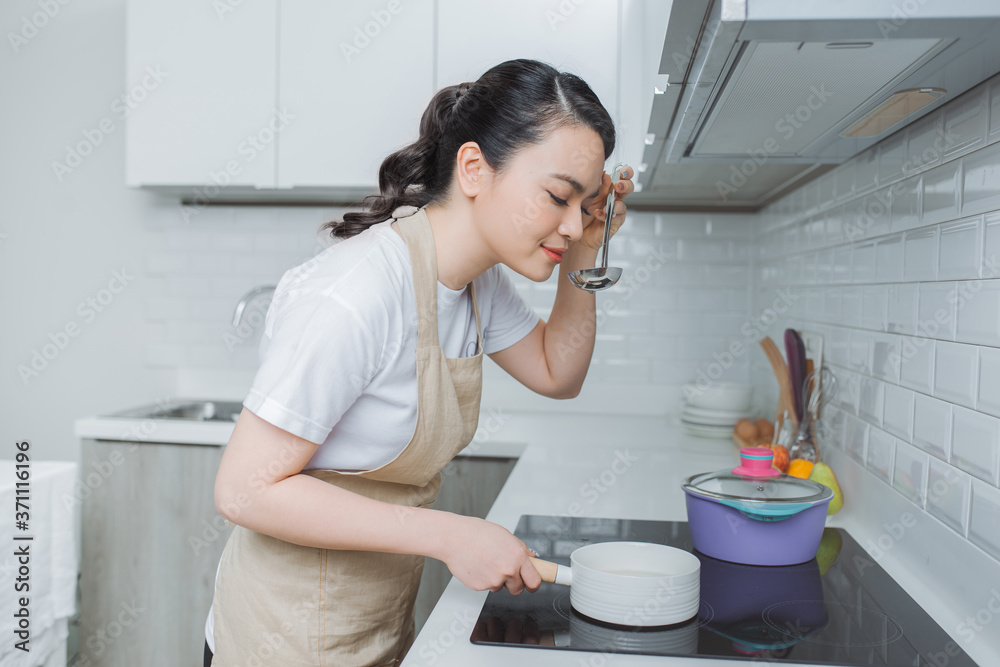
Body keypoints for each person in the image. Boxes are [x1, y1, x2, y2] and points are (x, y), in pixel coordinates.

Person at [204, 58, 633, 666]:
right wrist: (453, 535)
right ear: (475, 168)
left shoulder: (474, 278)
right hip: (283, 641)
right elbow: (244, 490)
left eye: (585, 202)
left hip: (374, 624)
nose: (571, 221)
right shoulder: (357, 291)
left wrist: (586, 252)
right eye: (559, 196)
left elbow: (556, 373)